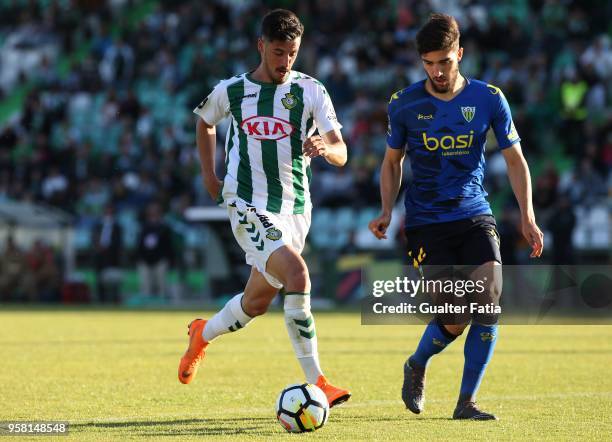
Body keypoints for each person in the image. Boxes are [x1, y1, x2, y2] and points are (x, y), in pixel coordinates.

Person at [369, 14, 543, 420]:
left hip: (474, 213)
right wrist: (385, 209)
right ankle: (416, 363)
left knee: (488, 299)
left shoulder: (488, 98)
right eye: (429, 63)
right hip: (426, 222)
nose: (438, 71)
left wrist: (528, 217)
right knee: (454, 315)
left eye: (445, 61)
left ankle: (466, 403)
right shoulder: (404, 103)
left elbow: (516, 160)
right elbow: (392, 162)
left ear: (460, 54)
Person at [179, 9, 351, 408]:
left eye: (292, 53)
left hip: (295, 210)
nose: (285, 62)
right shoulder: (233, 90)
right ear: (261, 46)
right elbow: (205, 122)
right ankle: (318, 381)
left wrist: (326, 148)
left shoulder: (311, 90)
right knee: (297, 273)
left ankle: (201, 334)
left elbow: (342, 151)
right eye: (278, 52)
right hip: (246, 202)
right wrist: (210, 175)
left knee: (256, 302)